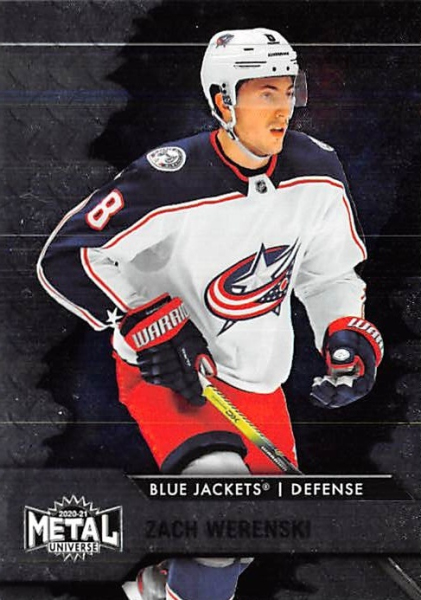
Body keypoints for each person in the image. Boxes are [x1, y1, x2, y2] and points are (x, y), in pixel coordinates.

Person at [37, 27, 383, 600]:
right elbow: (70, 255)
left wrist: (343, 331)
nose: (283, 109)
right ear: (223, 101)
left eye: (289, 90)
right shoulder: (169, 175)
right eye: (264, 94)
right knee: (223, 517)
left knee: (250, 535)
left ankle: (158, 590)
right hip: (173, 374)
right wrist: (144, 320)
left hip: (258, 380)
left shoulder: (318, 169)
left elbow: (330, 274)